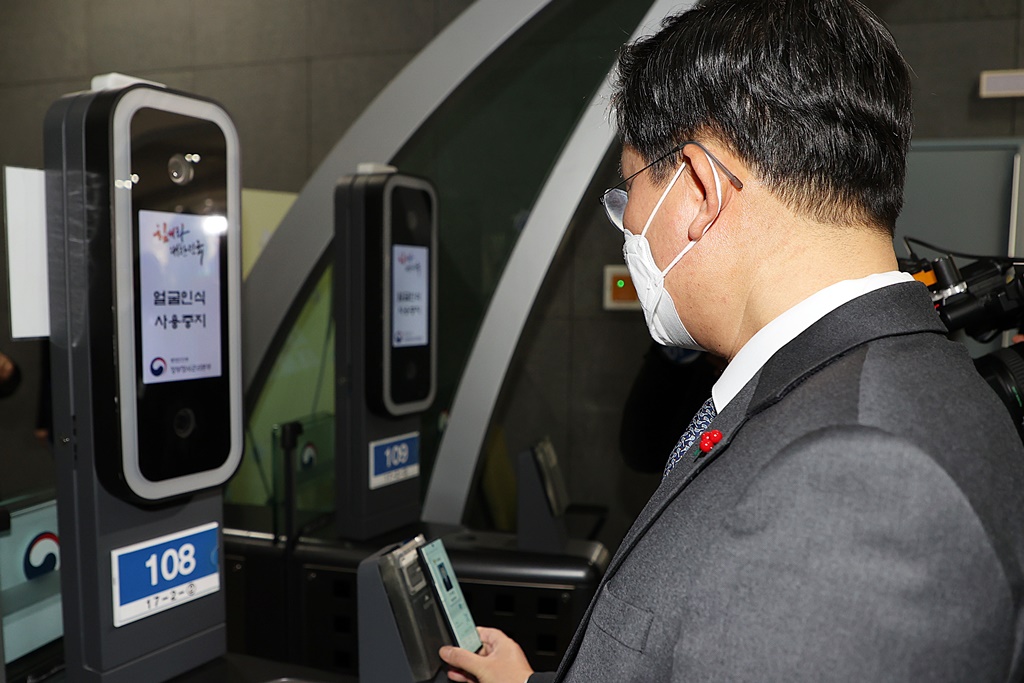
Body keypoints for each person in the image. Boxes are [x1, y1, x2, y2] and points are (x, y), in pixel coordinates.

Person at [439, 0, 1024, 681]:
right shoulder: (871, 385)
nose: (626, 224)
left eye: (627, 190)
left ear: (696, 187)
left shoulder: (857, 484)